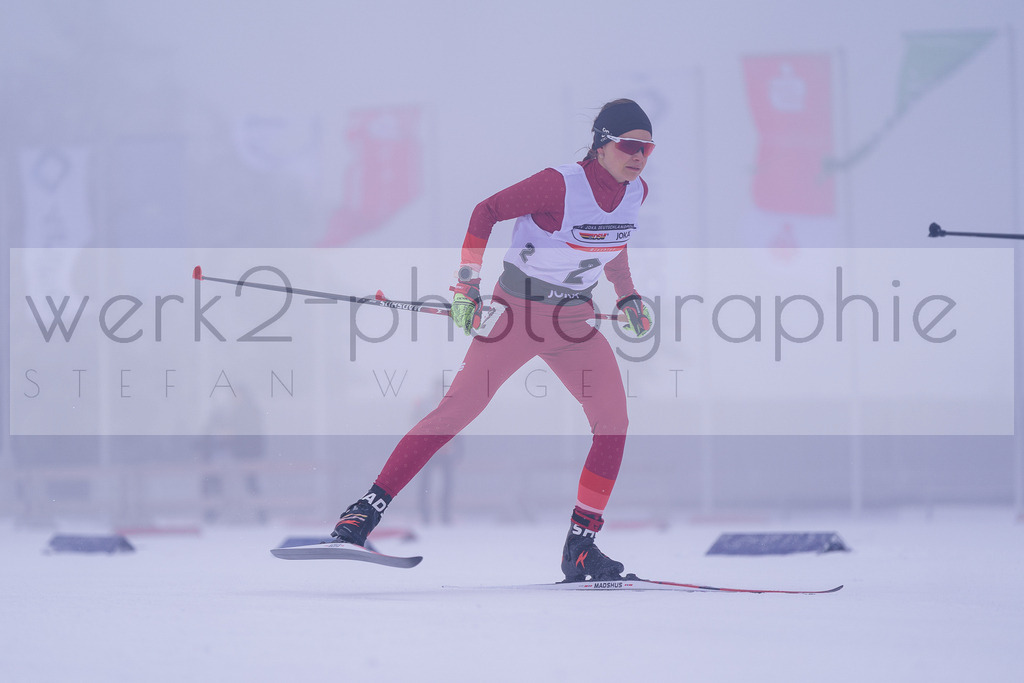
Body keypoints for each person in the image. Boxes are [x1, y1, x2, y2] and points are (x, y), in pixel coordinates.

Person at [331, 99, 656, 582]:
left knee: (614, 422)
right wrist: (467, 284)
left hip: (573, 324)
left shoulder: (635, 192)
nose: (639, 156)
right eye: (630, 145)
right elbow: (487, 210)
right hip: (516, 318)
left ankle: (581, 547)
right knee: (456, 412)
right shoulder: (559, 183)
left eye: (648, 148)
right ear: (602, 144)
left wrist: (627, 295)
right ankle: (361, 515)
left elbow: (614, 242)